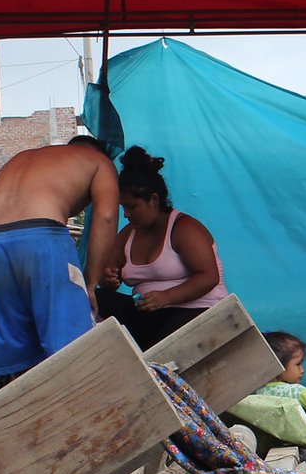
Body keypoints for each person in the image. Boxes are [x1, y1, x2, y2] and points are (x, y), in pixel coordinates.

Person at [0, 135, 120, 388]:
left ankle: (18, 414)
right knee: (72, 349)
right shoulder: (100, 162)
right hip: (41, 237)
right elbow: (105, 217)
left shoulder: (24, 159)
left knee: (14, 358)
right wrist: (91, 284)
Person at [95, 148, 228, 349]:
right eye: (123, 207)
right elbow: (107, 276)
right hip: (149, 314)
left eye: (132, 207)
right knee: (98, 298)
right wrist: (108, 279)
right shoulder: (128, 233)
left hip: (196, 311)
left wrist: (166, 297)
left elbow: (209, 277)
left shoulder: (185, 228)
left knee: (164, 342)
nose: (126, 214)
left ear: (154, 200)